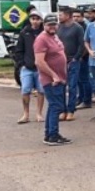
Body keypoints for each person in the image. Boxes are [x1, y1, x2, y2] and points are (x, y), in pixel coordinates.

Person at [34, 14, 71, 146]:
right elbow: (39, 61)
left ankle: (50, 134)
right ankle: (53, 135)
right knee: (57, 106)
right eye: (49, 24)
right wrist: (53, 75)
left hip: (60, 78)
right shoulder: (41, 39)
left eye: (54, 24)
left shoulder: (54, 36)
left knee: (53, 106)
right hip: (51, 80)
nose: (52, 26)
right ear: (44, 25)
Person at [13, 11, 45, 122]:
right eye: (33, 19)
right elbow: (19, 50)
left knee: (41, 90)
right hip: (27, 67)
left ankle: (39, 113)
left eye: (37, 19)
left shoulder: (44, 32)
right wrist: (21, 64)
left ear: (41, 20)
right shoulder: (24, 32)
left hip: (41, 68)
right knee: (25, 90)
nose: (35, 21)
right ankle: (26, 114)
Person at [55, 7, 84, 121]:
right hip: (60, 61)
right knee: (61, 86)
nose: (59, 16)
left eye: (61, 14)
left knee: (72, 86)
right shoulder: (59, 27)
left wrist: (76, 58)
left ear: (68, 15)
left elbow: (81, 45)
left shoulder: (77, 28)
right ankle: (62, 110)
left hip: (73, 61)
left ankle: (71, 110)